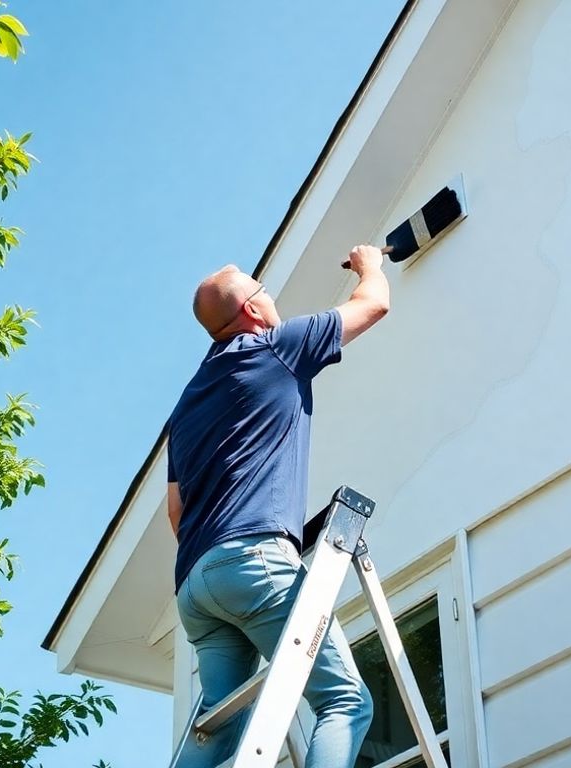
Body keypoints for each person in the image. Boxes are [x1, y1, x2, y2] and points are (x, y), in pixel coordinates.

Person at [168, 244, 391, 767]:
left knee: (217, 730)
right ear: (250, 309)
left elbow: (176, 513)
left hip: (195, 586)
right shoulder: (272, 348)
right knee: (345, 699)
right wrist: (369, 266)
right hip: (252, 560)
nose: (272, 299)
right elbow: (372, 305)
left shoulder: (186, 406)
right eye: (263, 290)